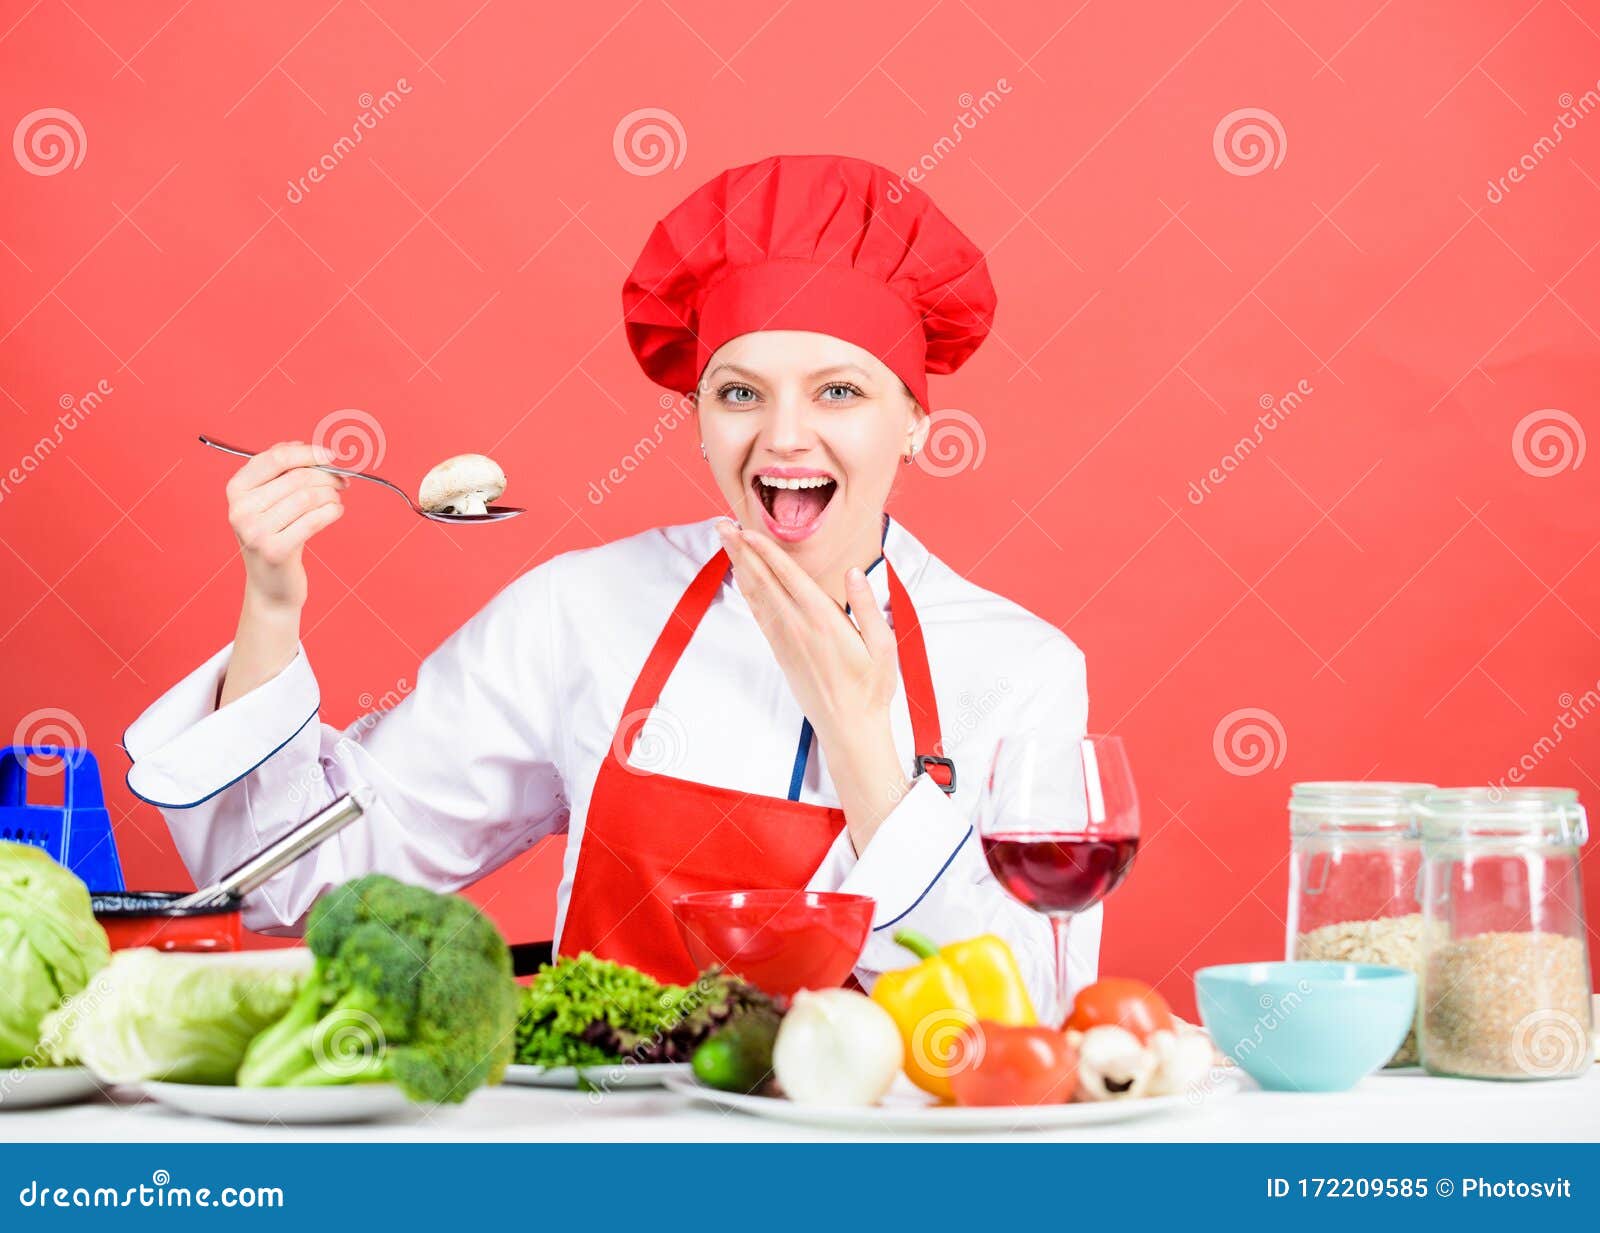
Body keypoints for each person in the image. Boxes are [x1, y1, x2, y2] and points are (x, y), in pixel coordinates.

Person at [123, 153, 1098, 1016]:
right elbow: (301, 888)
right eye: (739, 392)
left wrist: (858, 742)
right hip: (610, 1146)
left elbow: (1027, 1013)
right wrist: (271, 607)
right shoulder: (580, 613)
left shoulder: (1019, 668)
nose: (785, 436)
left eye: (838, 390)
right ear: (697, 417)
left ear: (916, 422)